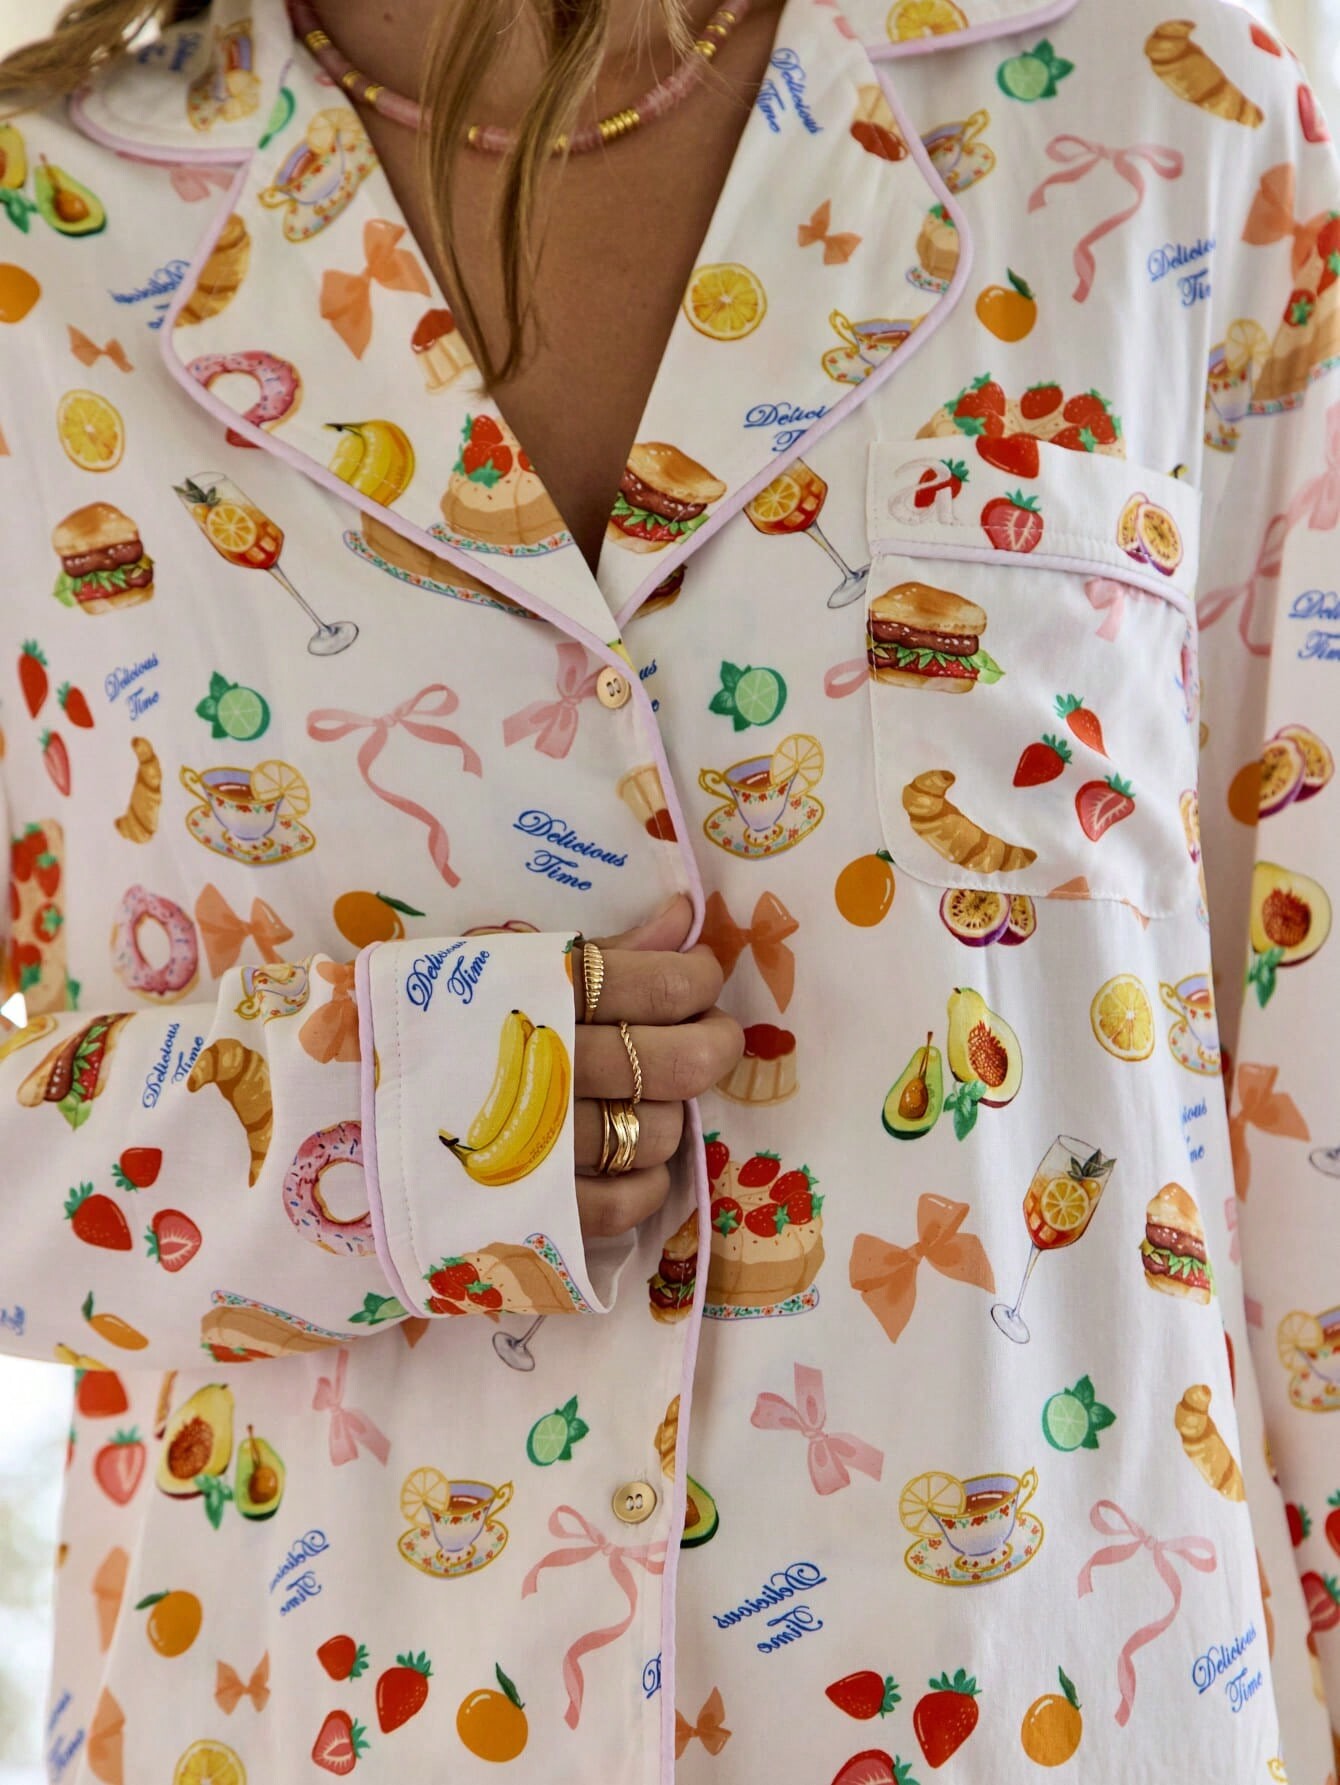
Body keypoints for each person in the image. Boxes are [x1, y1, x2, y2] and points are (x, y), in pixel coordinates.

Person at [0, 0, 1337, 1779]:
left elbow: (1314, 1095)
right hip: (303, 1717)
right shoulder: (42, 237)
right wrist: (355, 1137)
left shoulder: (1169, 107)